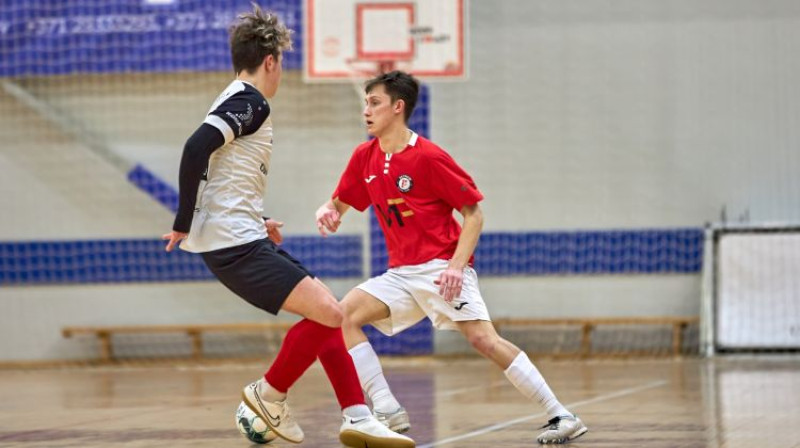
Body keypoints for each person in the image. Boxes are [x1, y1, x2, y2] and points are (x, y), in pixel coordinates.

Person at [162, 7, 414, 448]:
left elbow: (217, 173)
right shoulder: (251, 101)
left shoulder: (234, 97)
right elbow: (195, 148)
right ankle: (270, 394)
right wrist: (183, 222)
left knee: (330, 313)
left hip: (242, 235)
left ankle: (357, 415)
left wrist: (256, 218)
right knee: (333, 313)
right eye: (283, 62)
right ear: (272, 60)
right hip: (233, 244)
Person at [315, 70, 588, 444]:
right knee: (343, 315)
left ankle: (562, 414)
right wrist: (328, 211)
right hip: (400, 274)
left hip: (440, 267)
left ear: (398, 107)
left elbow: (474, 214)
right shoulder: (364, 156)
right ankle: (387, 409)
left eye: (374, 102)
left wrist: (457, 267)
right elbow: (341, 201)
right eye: (365, 103)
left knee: (483, 340)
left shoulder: (428, 157)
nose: (366, 110)